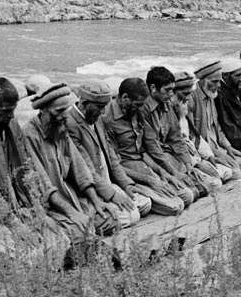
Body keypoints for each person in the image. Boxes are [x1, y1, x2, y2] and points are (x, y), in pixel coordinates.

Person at [0, 77, 69, 263]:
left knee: (61, 240)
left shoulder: (11, 124)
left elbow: (27, 171)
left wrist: (39, 213)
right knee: (29, 258)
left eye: (13, 110)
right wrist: (14, 224)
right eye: (6, 111)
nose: (10, 116)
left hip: (18, 206)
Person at [23, 83, 118, 242]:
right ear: (44, 111)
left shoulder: (60, 130)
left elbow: (81, 170)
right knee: (81, 231)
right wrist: (72, 213)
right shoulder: (30, 135)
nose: (63, 116)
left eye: (65, 111)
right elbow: (44, 185)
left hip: (72, 197)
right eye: (58, 112)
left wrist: (96, 202)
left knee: (112, 219)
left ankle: (84, 232)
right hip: (53, 206)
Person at [65, 79, 152, 228]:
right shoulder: (71, 124)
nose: (103, 112)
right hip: (91, 189)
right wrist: (112, 194)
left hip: (108, 182)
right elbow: (85, 169)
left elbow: (111, 157)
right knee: (132, 216)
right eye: (99, 107)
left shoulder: (96, 118)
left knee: (146, 203)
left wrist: (126, 184)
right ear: (84, 102)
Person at [101, 77, 188, 215]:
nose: (141, 108)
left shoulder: (135, 112)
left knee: (186, 195)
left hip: (143, 166)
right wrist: (148, 180)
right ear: (124, 98)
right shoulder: (107, 119)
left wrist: (162, 172)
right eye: (138, 104)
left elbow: (142, 152)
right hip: (128, 173)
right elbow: (113, 165)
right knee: (175, 206)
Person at [144, 66, 222, 200]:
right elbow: (152, 147)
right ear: (153, 88)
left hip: (169, 154)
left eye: (171, 90)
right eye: (167, 90)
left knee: (214, 183)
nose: (170, 94)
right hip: (154, 159)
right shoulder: (145, 109)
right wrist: (174, 171)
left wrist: (187, 164)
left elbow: (176, 137)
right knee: (189, 194)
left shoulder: (166, 104)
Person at [190, 60, 241, 177]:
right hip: (204, 152)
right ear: (203, 81)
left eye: (219, 81)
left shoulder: (211, 96)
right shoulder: (192, 99)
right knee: (235, 173)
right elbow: (193, 136)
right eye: (214, 82)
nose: (219, 85)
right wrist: (214, 153)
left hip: (218, 148)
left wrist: (229, 147)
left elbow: (218, 128)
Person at [173, 71, 236, 184]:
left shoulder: (211, 96)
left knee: (233, 172)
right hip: (184, 161)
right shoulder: (173, 114)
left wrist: (210, 156)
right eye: (184, 99)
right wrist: (197, 163)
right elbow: (178, 145)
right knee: (216, 183)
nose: (187, 102)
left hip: (201, 154)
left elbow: (195, 137)